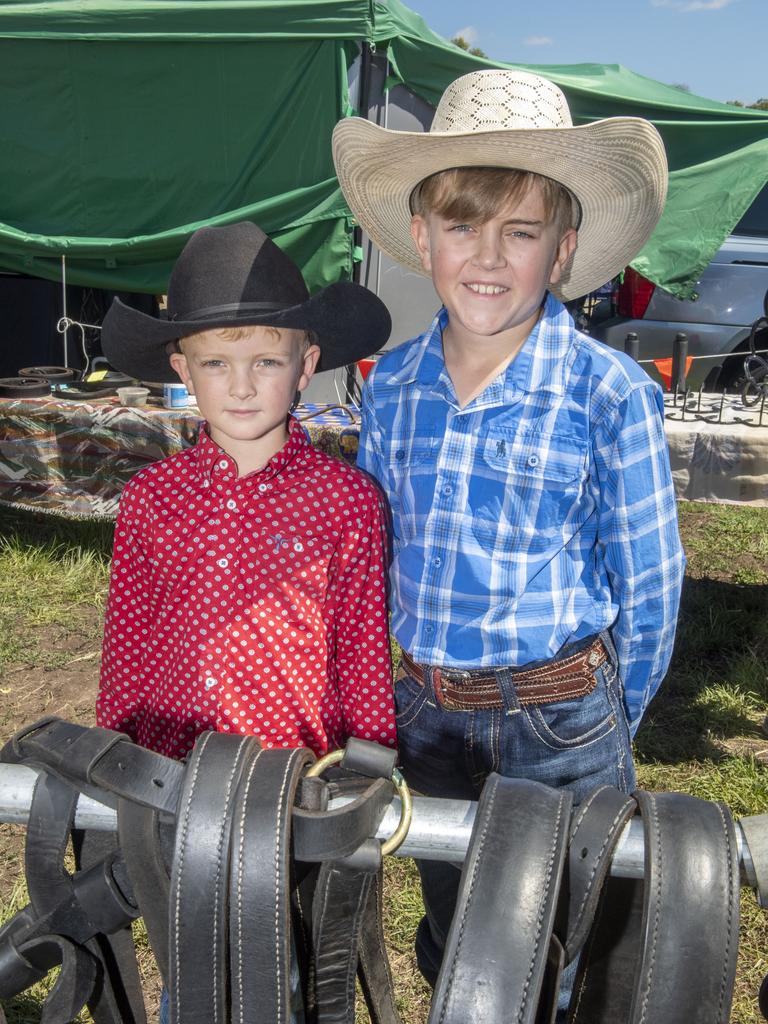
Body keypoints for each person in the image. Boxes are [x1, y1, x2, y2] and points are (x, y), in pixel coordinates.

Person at [332, 68, 685, 999]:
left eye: (520, 232)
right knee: (456, 924)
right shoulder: (395, 384)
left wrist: (604, 713)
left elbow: (652, 583)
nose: (488, 256)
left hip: (560, 721)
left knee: (557, 945)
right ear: (421, 237)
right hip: (426, 714)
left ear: (562, 249)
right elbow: (376, 554)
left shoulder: (607, 393)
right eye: (462, 226)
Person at [96, 220, 397, 763]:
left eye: (266, 362)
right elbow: (127, 643)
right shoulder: (150, 496)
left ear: (303, 366)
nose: (241, 386)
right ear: (183, 371)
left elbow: (362, 648)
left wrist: (367, 767)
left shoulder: (347, 500)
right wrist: (116, 753)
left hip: (293, 782)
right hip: (170, 773)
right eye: (216, 364)